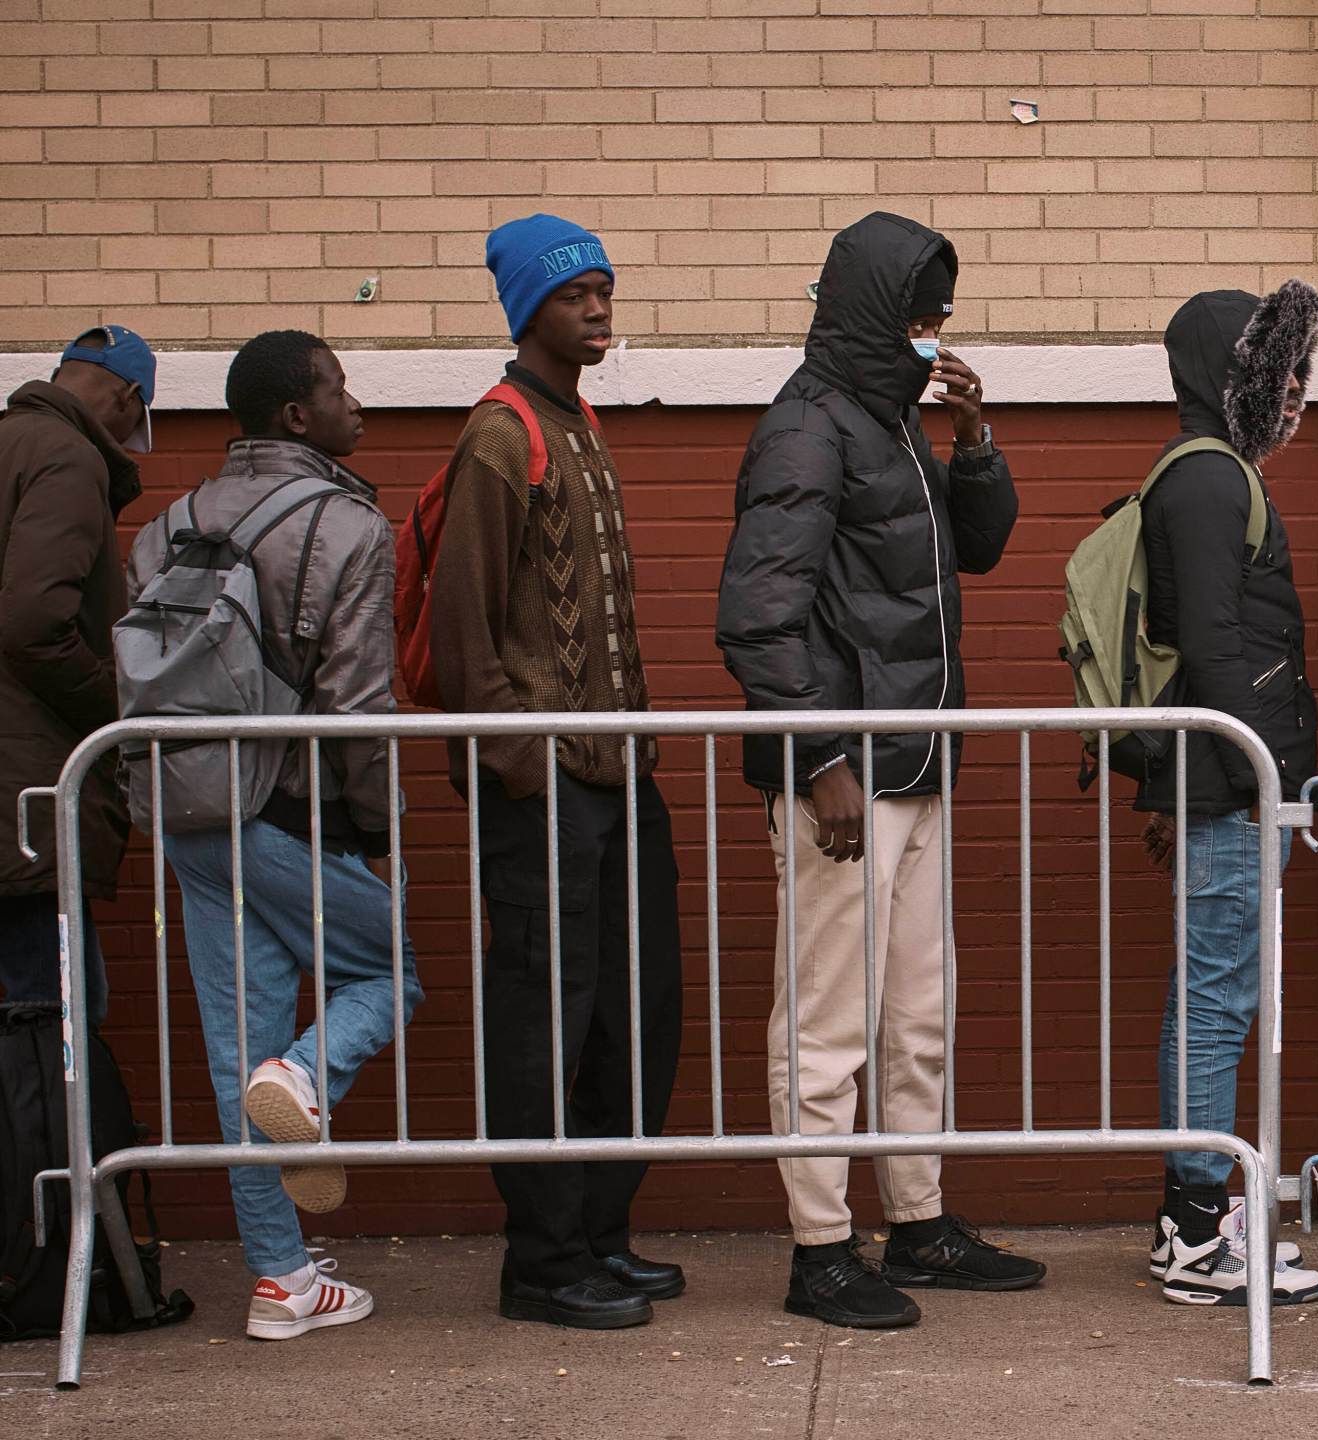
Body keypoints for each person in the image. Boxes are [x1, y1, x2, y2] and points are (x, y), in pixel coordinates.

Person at [716, 211, 1040, 1331]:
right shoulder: (808, 428)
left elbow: (980, 546)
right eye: (913, 314)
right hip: (845, 782)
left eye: (937, 315)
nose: (929, 332)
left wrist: (976, 435)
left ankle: (918, 1221)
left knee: (915, 1015)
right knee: (825, 1025)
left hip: (913, 763)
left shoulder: (893, 422)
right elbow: (760, 618)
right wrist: (818, 760)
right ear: (865, 310)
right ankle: (820, 1252)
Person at [130, 329, 423, 1339]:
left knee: (232, 1051)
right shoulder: (346, 524)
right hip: (292, 814)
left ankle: (283, 1282)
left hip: (188, 814)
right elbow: (359, 701)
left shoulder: (165, 523)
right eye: (340, 387)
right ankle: (303, 1074)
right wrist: (380, 823)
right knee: (390, 972)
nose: (357, 405)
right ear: (297, 415)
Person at [429, 214, 683, 1330]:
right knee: (545, 1018)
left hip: (616, 779)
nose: (600, 307)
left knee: (630, 1013)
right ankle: (541, 1261)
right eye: (578, 293)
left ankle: (596, 1236)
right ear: (529, 307)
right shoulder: (500, 433)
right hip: (546, 787)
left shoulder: (574, 421)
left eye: (607, 290)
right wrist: (516, 761)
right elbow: (461, 624)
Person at [1136, 283, 1318, 1308]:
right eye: (1281, 368)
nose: (1296, 391)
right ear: (1234, 371)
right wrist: (1265, 773)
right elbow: (1213, 643)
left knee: (1211, 999)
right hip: (1230, 785)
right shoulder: (1210, 481)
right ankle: (1197, 1233)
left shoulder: (1217, 474)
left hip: (1224, 781)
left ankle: (1196, 1224)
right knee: (1215, 1005)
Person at [0, 326, 153, 1013]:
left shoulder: (14, 444)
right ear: (127, 397)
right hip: (27, 802)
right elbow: (33, 622)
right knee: (57, 1016)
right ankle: (52, 1129)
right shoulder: (68, 459)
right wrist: (114, 713)